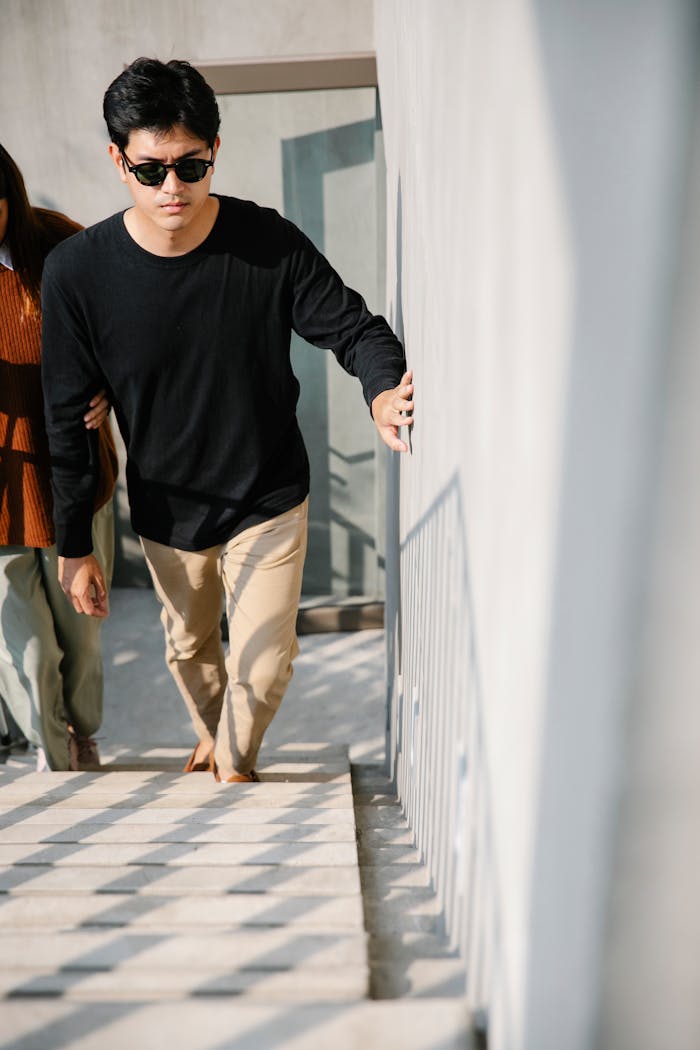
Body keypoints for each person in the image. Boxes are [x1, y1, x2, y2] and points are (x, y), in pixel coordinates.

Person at [41, 58, 413, 784]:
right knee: (189, 651)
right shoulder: (78, 273)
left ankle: (234, 769)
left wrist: (378, 390)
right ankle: (218, 741)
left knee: (267, 657)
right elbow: (65, 417)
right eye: (151, 170)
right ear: (117, 159)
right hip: (166, 506)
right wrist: (74, 544)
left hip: (268, 494)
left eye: (192, 165)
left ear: (216, 149)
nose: (173, 187)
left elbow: (355, 328)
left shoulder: (266, 243)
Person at [0, 143, 118, 771]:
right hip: (2, 488)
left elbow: (125, 325)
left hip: (73, 475)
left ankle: (85, 730)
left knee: (83, 638)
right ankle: (54, 754)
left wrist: (110, 384)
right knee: (30, 652)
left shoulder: (57, 243)